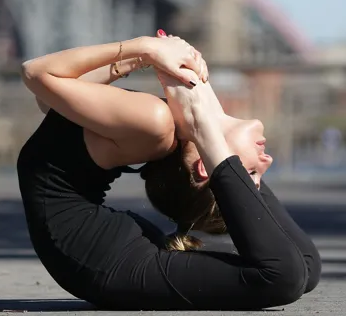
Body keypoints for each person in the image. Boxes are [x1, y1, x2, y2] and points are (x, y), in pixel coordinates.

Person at [16, 31, 321, 311]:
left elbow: (38, 76)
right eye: (252, 175)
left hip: (104, 259)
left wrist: (146, 49)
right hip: (103, 253)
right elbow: (49, 94)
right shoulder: (161, 123)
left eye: (251, 174)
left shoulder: (157, 122)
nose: (266, 163)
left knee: (290, 274)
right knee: (301, 271)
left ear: (206, 167)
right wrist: (157, 63)